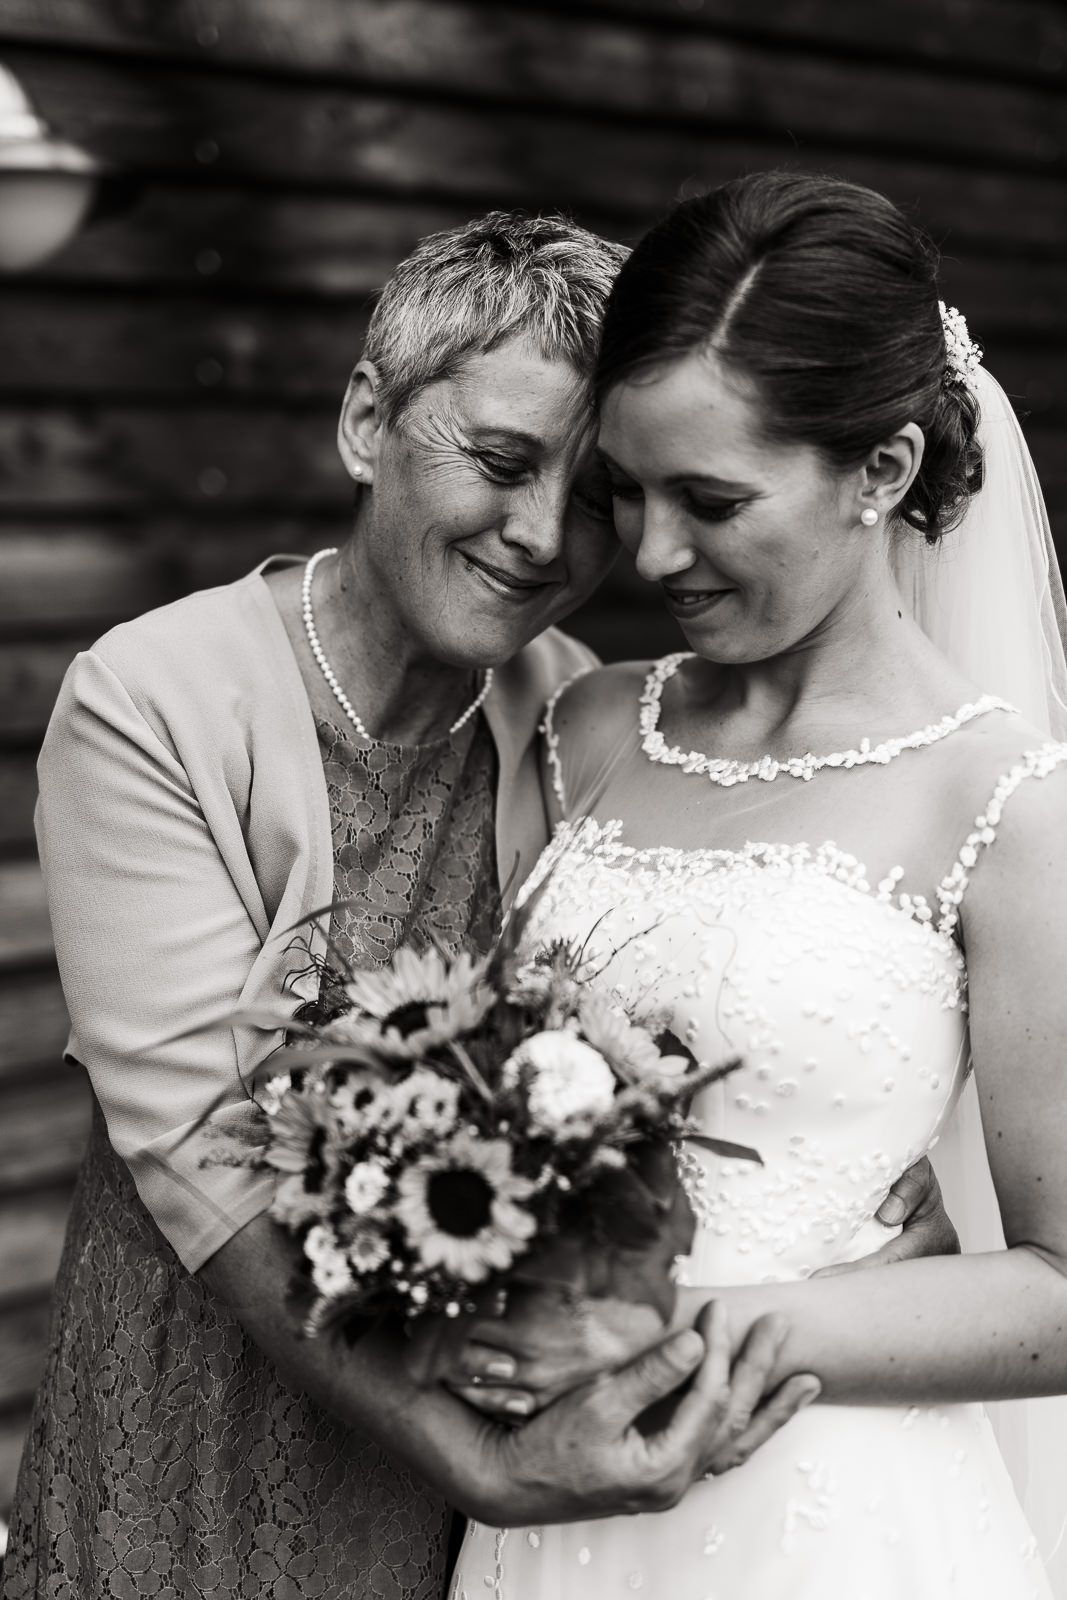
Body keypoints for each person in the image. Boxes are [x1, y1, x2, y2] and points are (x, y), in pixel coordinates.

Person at [4, 209, 948, 1600]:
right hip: (207, 1392)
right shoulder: (150, 701)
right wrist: (472, 1456)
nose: (541, 533)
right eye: (500, 462)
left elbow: (674, 1020)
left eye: (599, 493)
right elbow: (201, 1152)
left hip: (504, 1454)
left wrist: (855, 1210)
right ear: (367, 419)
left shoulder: (577, 713)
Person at [446, 173, 1067, 1598]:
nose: (651, 553)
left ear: (884, 473)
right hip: (545, 1508)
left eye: (712, 500)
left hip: (830, 1515)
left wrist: (684, 1324)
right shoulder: (584, 724)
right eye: (627, 490)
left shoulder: (1012, 810)